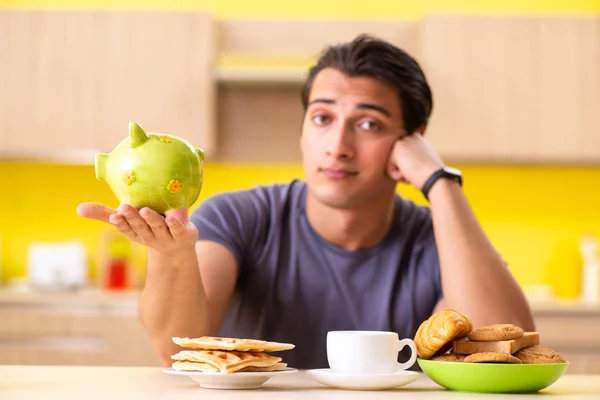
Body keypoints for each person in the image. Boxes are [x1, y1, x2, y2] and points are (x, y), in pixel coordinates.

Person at [77, 34, 535, 370]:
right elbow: (174, 349)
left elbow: (502, 353)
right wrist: (172, 256)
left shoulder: (440, 239)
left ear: (411, 142)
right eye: (322, 118)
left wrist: (439, 181)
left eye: (369, 124)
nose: (338, 145)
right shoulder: (238, 217)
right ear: (302, 130)